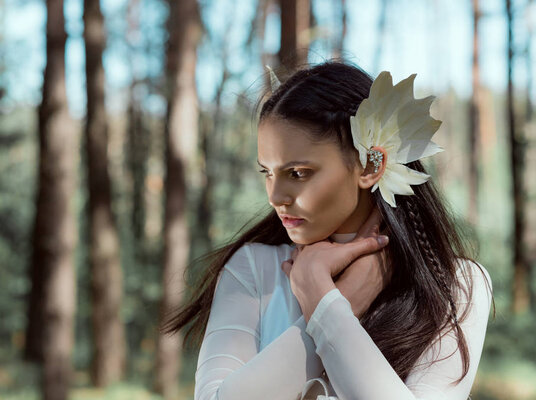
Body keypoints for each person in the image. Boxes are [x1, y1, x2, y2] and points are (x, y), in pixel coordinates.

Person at [159, 61, 493, 400]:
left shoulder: (454, 285)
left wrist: (323, 305)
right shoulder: (252, 270)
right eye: (267, 173)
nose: (275, 197)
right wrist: (340, 301)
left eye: (298, 173)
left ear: (370, 165)